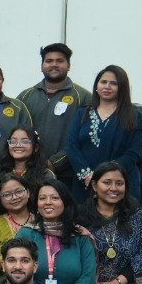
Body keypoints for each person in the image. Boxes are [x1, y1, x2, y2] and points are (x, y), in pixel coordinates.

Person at [66, 65, 142, 207]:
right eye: (103, 82)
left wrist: (107, 176)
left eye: (113, 83)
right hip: (86, 184)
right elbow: (72, 147)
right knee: (85, 219)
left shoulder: (134, 116)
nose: (107, 86)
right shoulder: (82, 113)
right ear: (97, 86)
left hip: (120, 185)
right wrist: (88, 175)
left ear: (122, 88)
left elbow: (135, 152)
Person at [17, 43, 91, 182]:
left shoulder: (84, 98)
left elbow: (85, 138)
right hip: (30, 172)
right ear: (42, 66)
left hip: (69, 174)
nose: (54, 65)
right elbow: (16, 135)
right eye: (49, 61)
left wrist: (55, 163)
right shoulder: (25, 97)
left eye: (60, 61)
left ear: (69, 65)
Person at [30, 182, 98, 284]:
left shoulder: (80, 236)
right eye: (42, 198)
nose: (48, 202)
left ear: (65, 203)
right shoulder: (27, 233)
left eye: (55, 198)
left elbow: (88, 276)